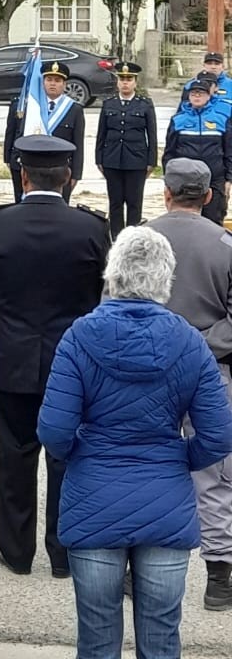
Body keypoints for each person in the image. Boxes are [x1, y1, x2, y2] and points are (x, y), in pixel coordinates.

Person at [38, 227, 232, 658]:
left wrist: (85, 454)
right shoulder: (189, 342)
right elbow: (218, 434)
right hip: (167, 502)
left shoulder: (79, 336)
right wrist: (179, 456)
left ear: (113, 274)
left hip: (93, 502)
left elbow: (53, 431)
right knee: (162, 638)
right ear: (167, 279)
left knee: (97, 637)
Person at [0, 135, 110, 577]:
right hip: (70, 363)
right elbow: (96, 298)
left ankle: (16, 552)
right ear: (69, 177)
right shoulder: (91, 228)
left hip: (12, 357)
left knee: (15, 453)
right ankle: (62, 552)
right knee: (66, 457)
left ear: (22, 175)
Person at [148, 157, 232, 610]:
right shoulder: (226, 244)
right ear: (206, 196)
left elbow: (117, 301)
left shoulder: (139, 240)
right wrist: (200, 346)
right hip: (211, 373)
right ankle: (219, 576)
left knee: (143, 464)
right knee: (213, 474)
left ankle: (132, 568)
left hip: (147, 371)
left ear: (166, 192)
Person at [3, 59, 85, 204]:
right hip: (27, 165)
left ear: (64, 84)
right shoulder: (28, 105)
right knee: (24, 207)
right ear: (42, 82)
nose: (53, 83)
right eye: (49, 79)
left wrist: (76, 174)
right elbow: (12, 133)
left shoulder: (74, 110)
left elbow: (78, 143)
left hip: (59, 168)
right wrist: (8, 159)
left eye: (57, 80)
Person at [95, 60, 158, 236]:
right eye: (122, 79)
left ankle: (132, 238)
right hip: (112, 159)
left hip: (136, 161)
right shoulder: (109, 104)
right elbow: (102, 134)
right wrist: (99, 159)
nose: (125, 83)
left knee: (134, 203)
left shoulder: (144, 104)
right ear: (117, 81)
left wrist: (151, 161)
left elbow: (152, 136)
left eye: (129, 79)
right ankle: (116, 237)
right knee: (115, 202)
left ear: (135, 82)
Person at [162, 77, 232, 226]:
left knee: (214, 221)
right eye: (194, 93)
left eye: (201, 93)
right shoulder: (178, 120)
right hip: (184, 180)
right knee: (183, 222)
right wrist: (168, 178)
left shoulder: (221, 119)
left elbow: (228, 152)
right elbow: (169, 153)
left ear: (209, 96)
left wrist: (228, 179)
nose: (197, 96)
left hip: (214, 180)